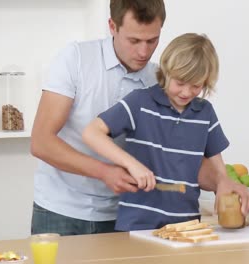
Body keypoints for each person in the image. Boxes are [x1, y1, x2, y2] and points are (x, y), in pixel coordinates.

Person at [82, 33, 249, 230]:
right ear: (166, 71)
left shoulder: (205, 113)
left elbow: (219, 168)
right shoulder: (140, 102)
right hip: (137, 226)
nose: (186, 92)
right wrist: (132, 165)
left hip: (186, 227)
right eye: (180, 82)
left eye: (196, 85)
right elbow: (92, 132)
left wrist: (224, 183)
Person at [30, 0, 167, 235]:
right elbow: (41, 142)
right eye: (134, 41)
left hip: (126, 214)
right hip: (61, 209)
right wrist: (104, 172)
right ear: (112, 26)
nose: (144, 52)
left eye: (152, 40)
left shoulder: (158, 78)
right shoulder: (76, 59)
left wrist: (221, 180)